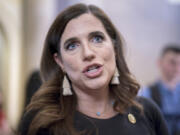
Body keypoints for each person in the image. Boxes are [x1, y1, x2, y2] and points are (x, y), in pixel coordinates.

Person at [19, 3, 169, 135]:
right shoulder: (40, 122)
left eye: (97, 39)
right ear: (60, 62)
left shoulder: (147, 112)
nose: (88, 53)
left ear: (114, 47)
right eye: (72, 45)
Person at [140, 45, 180, 135]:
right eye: (172, 62)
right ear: (159, 63)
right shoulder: (145, 94)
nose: (177, 68)